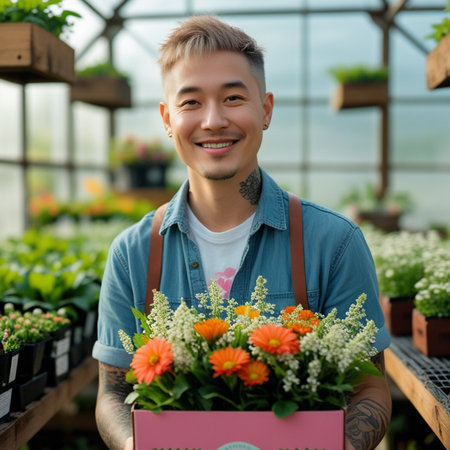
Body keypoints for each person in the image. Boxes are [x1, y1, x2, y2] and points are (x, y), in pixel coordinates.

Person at [93, 15, 392, 450]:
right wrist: (135, 445)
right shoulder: (133, 253)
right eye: (190, 102)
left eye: (233, 97)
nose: (213, 120)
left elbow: (370, 389)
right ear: (166, 118)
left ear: (265, 109)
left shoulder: (334, 243)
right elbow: (113, 394)